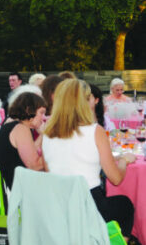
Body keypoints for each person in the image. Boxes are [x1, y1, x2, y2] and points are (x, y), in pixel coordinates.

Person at [43, 79, 135, 240]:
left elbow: (49, 172)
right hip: (89, 206)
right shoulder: (95, 131)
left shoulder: (48, 133)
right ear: (84, 102)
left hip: (57, 207)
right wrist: (124, 161)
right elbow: (116, 179)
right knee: (125, 205)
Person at [0, 92, 46, 189]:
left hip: (1, 188)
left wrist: (43, 134)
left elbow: (30, 151)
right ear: (29, 110)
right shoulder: (20, 129)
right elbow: (35, 166)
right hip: (13, 191)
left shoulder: (12, 126)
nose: (43, 118)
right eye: (41, 113)